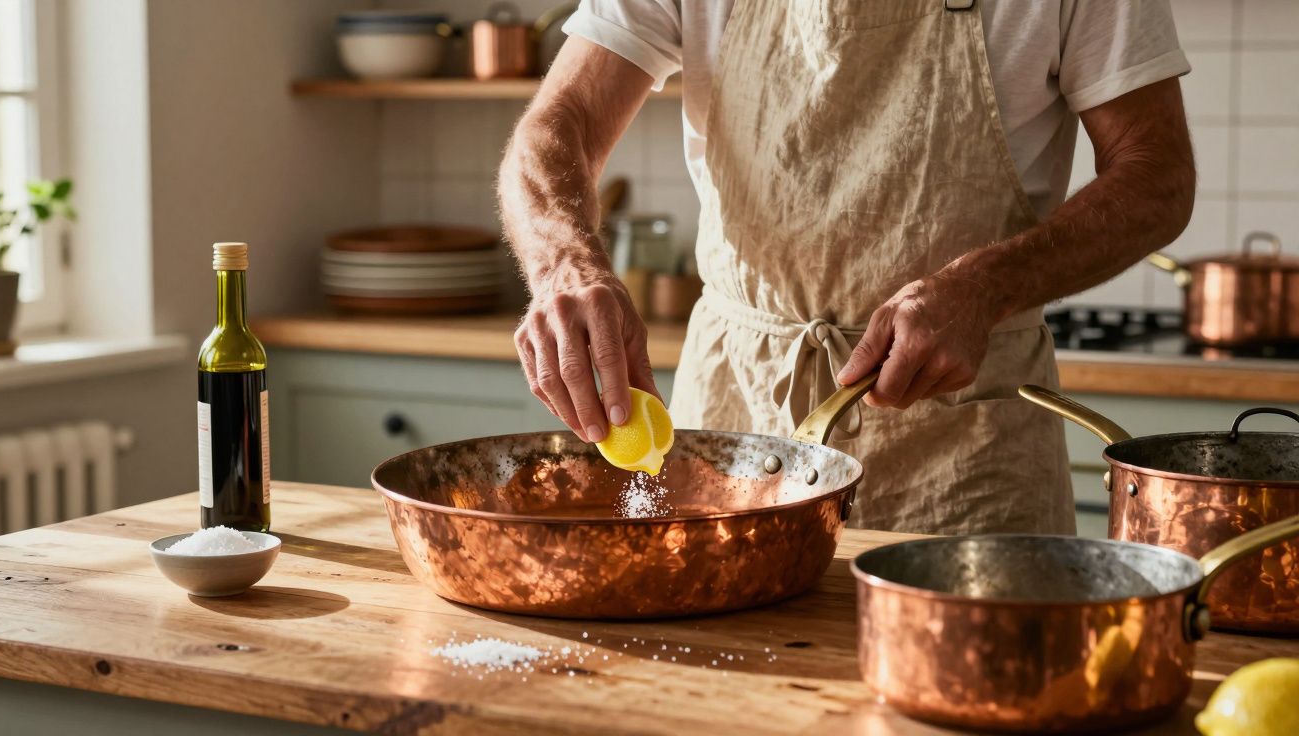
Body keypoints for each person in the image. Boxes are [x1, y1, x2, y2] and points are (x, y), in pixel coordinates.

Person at [498, 0, 1195, 535]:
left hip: (967, 450)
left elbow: (1156, 175)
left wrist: (984, 287)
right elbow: (562, 121)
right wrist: (565, 266)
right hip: (737, 420)